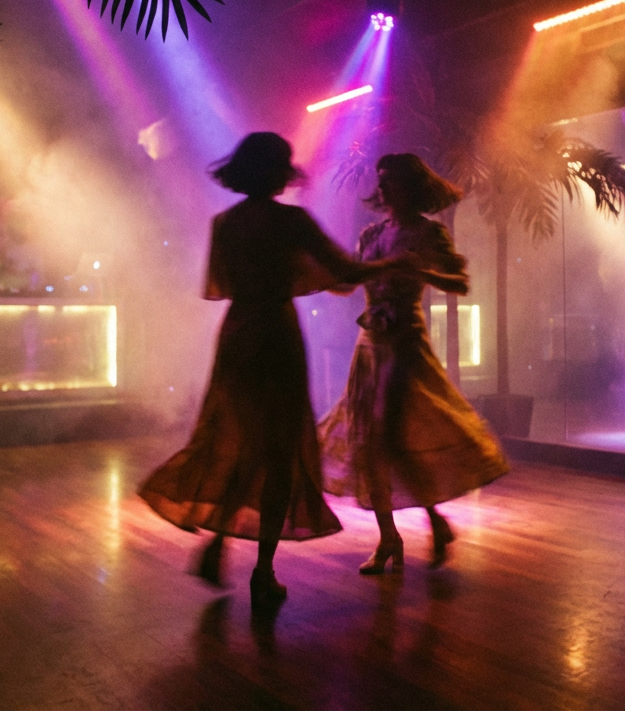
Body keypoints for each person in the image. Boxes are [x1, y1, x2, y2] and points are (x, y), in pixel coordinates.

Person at [138, 133, 406, 609]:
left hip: (239, 333)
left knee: (240, 440)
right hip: (277, 336)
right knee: (280, 450)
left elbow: (216, 286)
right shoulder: (292, 221)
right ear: (280, 170)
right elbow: (343, 271)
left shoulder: (225, 224)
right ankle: (263, 569)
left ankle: (218, 545)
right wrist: (396, 264)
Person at [320, 153, 509, 574]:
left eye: (391, 181)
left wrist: (422, 270)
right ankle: (390, 538)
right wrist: (319, 277)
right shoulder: (371, 235)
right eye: (381, 180)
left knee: (388, 435)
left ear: (410, 187)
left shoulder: (429, 233)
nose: (383, 187)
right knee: (369, 441)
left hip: (405, 342)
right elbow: (350, 281)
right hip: (369, 344)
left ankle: (435, 522)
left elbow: (459, 283)